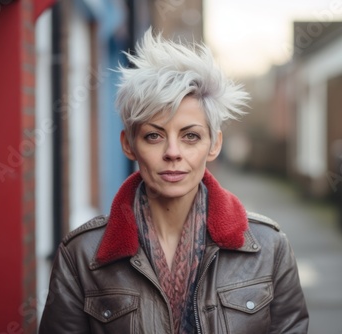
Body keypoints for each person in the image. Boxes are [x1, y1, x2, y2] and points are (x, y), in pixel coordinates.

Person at [39, 29, 309, 334]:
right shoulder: (82, 254)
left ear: (214, 144)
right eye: (153, 136)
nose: (172, 153)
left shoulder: (269, 248)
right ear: (129, 144)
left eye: (190, 136)